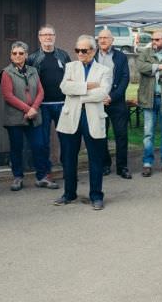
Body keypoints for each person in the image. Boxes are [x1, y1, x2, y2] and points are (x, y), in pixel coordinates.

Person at [55, 35, 112, 210]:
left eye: (84, 50)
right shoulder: (70, 67)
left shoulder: (104, 70)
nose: (80, 53)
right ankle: (69, 193)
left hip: (93, 119)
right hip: (70, 118)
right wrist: (88, 86)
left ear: (93, 51)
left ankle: (96, 196)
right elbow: (64, 88)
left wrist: (77, 90)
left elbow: (102, 93)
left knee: (95, 159)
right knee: (69, 158)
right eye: (77, 50)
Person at [1, 41, 54, 191]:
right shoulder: (6, 72)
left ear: (26, 55)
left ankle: (42, 177)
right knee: (16, 148)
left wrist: (34, 108)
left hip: (34, 116)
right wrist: (27, 109)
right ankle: (18, 177)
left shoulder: (33, 70)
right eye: (15, 53)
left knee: (39, 146)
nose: (18, 56)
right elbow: (8, 96)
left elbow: (41, 92)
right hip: (15, 117)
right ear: (11, 56)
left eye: (21, 53)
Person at [27, 24, 70, 185]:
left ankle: (68, 169)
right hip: (42, 105)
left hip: (62, 103)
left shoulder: (63, 56)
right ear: (39, 38)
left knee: (66, 139)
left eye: (50, 34)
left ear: (55, 36)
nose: (48, 38)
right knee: (42, 142)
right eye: (44, 35)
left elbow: (71, 77)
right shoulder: (32, 58)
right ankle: (44, 173)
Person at [136, 31, 162, 177]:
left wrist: (152, 70)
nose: (155, 42)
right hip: (149, 98)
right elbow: (141, 68)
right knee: (148, 133)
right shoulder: (144, 53)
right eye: (153, 39)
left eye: (158, 39)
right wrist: (160, 67)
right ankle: (147, 164)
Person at [96, 29, 131, 179]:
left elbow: (125, 78)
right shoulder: (93, 56)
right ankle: (105, 164)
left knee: (121, 135)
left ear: (112, 40)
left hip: (116, 102)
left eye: (106, 38)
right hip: (98, 102)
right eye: (100, 38)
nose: (103, 40)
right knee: (101, 135)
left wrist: (112, 97)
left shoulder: (121, 56)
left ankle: (122, 167)